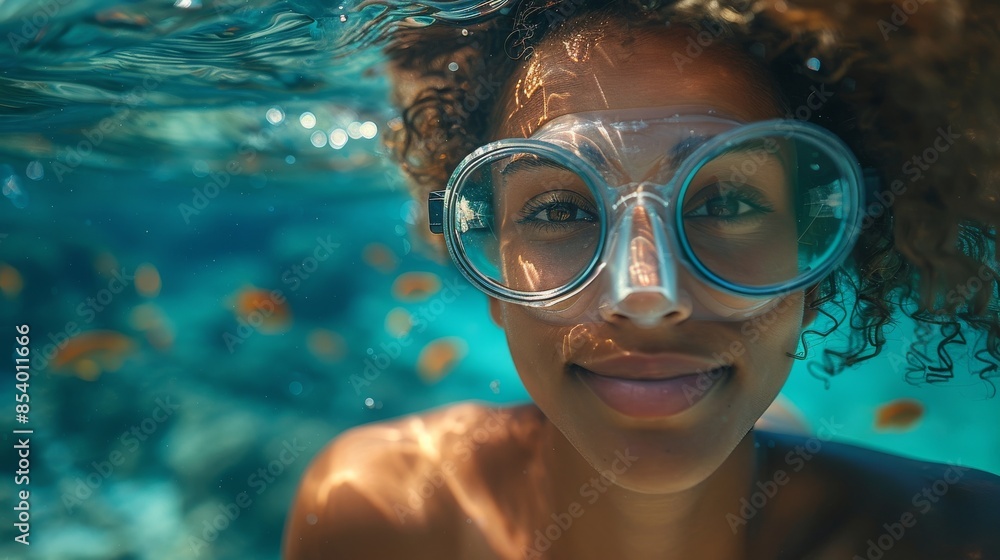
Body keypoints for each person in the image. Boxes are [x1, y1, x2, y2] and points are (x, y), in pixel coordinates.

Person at [284, 0, 1000, 558]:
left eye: (725, 203)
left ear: (816, 260)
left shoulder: (968, 539)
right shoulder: (375, 518)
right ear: (491, 268)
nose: (645, 295)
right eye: (561, 209)